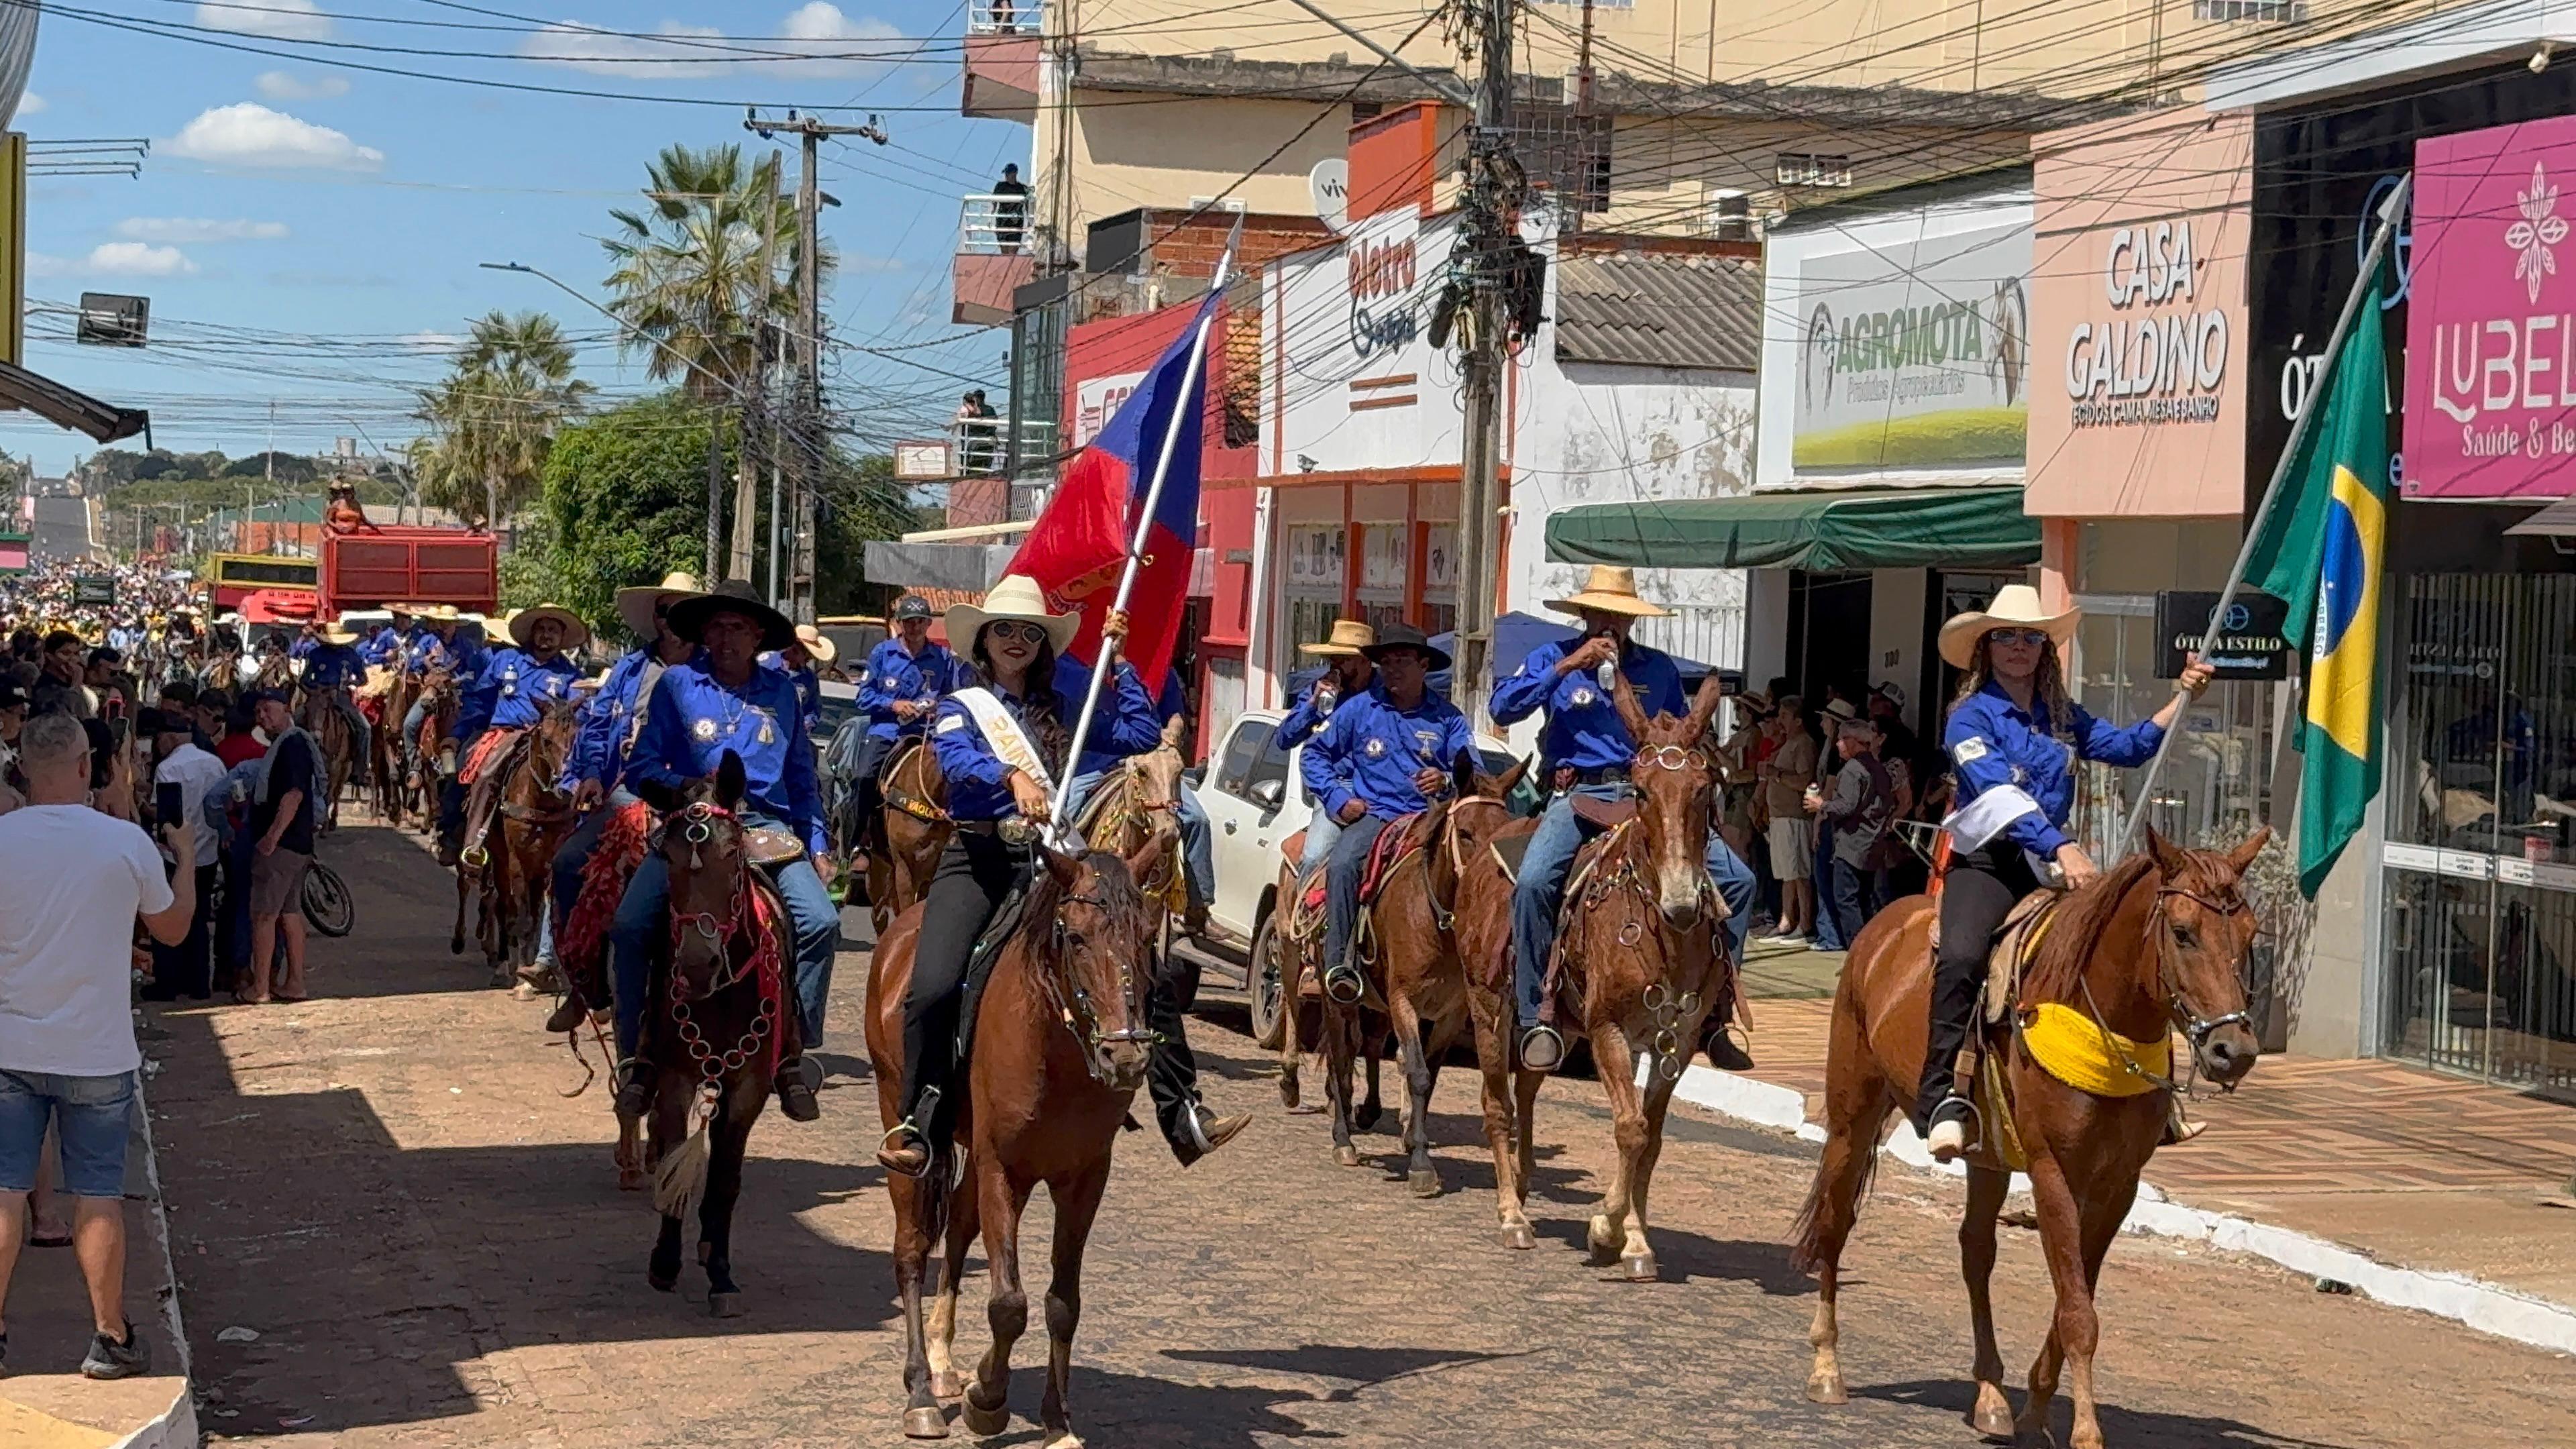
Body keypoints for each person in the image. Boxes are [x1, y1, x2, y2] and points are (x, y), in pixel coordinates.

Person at [877, 576, 1244, 1177]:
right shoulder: (959, 706)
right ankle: (922, 1117)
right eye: (1005, 631)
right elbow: (956, 761)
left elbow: (1139, 736)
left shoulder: (1063, 707)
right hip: (980, 860)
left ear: (1042, 644)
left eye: (1028, 632)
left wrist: (1121, 668)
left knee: (1140, 965)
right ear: (985, 641)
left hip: (1052, 862)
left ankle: (1183, 1111)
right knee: (935, 984)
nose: (1016, 641)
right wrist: (1010, 776)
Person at [1921, 585, 2214, 1161]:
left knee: (2130, 953)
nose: (2018, 647)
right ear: (1985, 647)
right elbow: (2000, 795)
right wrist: (2064, 848)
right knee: (1961, 957)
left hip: (2057, 863)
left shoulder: (2060, 715)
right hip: (1992, 864)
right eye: (2005, 636)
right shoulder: (1969, 720)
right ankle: (1941, 1099)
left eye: (2031, 637)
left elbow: (2126, 747)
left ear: (2044, 650)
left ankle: (2153, 1095)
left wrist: (2182, 697)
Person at [1491, 567, 1758, 1071]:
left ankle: (1715, 1015)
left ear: (1631, 620)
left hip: (1651, 797)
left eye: (1619, 614)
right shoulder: (1553, 657)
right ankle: (1535, 1013)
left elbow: (1680, 735)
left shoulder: (1657, 670)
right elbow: (1503, 709)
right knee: (1532, 883)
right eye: (1600, 612)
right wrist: (1569, 666)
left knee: (1739, 883)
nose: (1609, 622)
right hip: (1580, 793)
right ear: (1585, 614)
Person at [0, 713, 199, 1381]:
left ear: (23, 766)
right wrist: (190, 863)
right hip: (97, 1050)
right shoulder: (124, 841)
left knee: (2, 1193)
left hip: (9, 1044)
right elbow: (171, 931)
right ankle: (111, 1337)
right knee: (98, 1196)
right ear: (89, 766)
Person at [608, 582, 836, 1124]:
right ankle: (637, 1057)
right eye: (716, 627)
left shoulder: (784, 692)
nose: (726, 637)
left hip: (763, 826)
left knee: (821, 921)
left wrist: (820, 844)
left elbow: (802, 777)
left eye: (738, 627)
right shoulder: (677, 686)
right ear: (702, 634)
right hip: (693, 824)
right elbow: (641, 766)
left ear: (759, 636)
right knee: (630, 926)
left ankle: (791, 1052)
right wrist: (688, 789)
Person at [539, 572, 703, 1032]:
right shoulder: (630, 668)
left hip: (693, 794)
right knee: (569, 863)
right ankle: (584, 984)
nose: (671, 622)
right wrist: (592, 774)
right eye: (664, 611)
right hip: (628, 789)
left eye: (680, 612)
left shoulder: (712, 671)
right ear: (655, 618)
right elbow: (594, 727)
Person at [1300, 623, 1473, 1005]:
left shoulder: (1449, 718)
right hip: (1377, 816)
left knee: (1474, 871)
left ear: (1424, 665)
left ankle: (1480, 972)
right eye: (1387, 662)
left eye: (1403, 661)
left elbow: (1470, 769)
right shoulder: (1361, 710)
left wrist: (1445, 779)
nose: (1392, 669)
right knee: (1343, 863)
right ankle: (1337, 965)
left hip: (1430, 819)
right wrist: (1337, 799)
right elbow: (1314, 754)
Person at [448, 605, 584, 868]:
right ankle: (470, 842)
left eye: (553, 630)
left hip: (547, 740)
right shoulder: (506, 660)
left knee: (569, 779)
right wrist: (458, 734)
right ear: (532, 633)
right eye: (542, 629)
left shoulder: (571, 676)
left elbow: (577, 717)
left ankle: (571, 847)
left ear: (562, 637)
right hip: (505, 734)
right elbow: (479, 700)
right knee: (484, 774)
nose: (547, 635)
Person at [849, 594, 955, 855]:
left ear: (929, 623)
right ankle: (857, 843)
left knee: (957, 775)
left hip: (928, 735)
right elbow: (863, 697)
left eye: (920, 621)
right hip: (888, 732)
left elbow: (955, 699)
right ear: (898, 623)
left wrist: (937, 707)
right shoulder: (883, 653)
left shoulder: (943, 657)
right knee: (863, 778)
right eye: (909, 622)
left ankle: (955, 842)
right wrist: (893, 705)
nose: (915, 627)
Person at [1279, 619, 1375, 881]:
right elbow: (1284, 739)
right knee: (1314, 856)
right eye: (1332, 659)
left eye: (1343, 660)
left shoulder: (1384, 695)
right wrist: (1312, 704)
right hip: (1335, 786)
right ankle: (1304, 916)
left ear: (1365, 662)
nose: (1335, 666)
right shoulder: (1320, 690)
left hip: (1379, 791)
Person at [145, 707, 226, 1002]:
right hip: (206, 851)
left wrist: (141, 804)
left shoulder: (169, 769)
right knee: (199, 918)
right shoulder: (215, 763)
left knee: (167, 917)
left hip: (175, 854)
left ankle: (168, 984)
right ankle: (199, 984)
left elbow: (166, 815)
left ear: (169, 737)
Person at [244, 692, 317, 1004]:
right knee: (288, 913)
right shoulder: (284, 745)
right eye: (258, 712)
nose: (262, 717)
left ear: (286, 709)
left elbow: (294, 795)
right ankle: (294, 983)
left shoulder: (292, 745)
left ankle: (260, 987)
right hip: (296, 843)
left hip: (283, 845)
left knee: (264, 915)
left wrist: (272, 837)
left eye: (268, 710)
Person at [1809, 717, 1895, 950]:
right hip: (1872, 842)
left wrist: (1821, 805)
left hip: (1851, 843)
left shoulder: (1853, 770)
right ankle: (1868, 950)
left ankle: (1858, 952)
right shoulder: (1879, 768)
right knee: (1864, 899)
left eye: (1842, 739)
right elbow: (1888, 803)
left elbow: (1846, 806)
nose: (1837, 744)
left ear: (1855, 742)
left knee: (1846, 898)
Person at [1759, 694, 1819, 945]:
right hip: (1780, 818)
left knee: (1799, 873)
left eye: (1785, 716)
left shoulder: (1803, 744)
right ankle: (1786, 920)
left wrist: (1777, 774)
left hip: (1795, 818)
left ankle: (1803, 924)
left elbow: (1804, 780)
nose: (1780, 721)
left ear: (1798, 720)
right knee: (1786, 873)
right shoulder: (1788, 743)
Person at [295, 620, 374, 786]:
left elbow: (363, 678)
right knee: (296, 721)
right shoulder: (316, 654)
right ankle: (290, 761)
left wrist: (349, 684)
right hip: (318, 696)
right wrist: (315, 691)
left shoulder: (351, 655)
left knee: (364, 728)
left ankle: (360, 768)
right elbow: (304, 680)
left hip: (341, 696)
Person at [30, 630, 93, 720]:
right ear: (50, 656)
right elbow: (65, 717)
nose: (73, 659)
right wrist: (76, 686)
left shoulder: (68, 681)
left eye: (76, 654)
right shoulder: (44, 686)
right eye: (66, 653)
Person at [989, 165, 1028, 254]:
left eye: (1009, 174)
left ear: (1015, 174)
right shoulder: (1000, 186)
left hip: (1016, 222)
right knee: (1004, 249)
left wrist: (1029, 219)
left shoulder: (1021, 188)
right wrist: (992, 213)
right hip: (1002, 221)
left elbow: (1027, 204)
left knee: (1013, 249)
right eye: (1006, 174)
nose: (1007, 176)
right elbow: (994, 202)